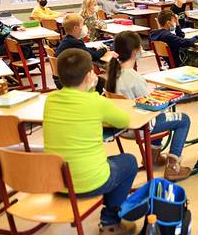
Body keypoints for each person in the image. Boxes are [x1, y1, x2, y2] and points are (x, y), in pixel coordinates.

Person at [43, 48, 137, 235]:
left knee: (105, 163)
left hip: (58, 182)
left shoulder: (50, 100)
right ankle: (110, 221)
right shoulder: (95, 101)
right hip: (90, 183)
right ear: (89, 75)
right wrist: (93, 90)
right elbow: (124, 121)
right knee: (129, 161)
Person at [105, 31, 193, 181]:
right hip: (138, 126)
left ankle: (152, 157)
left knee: (160, 116)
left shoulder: (114, 72)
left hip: (121, 126)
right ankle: (173, 165)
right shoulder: (133, 77)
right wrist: (170, 99)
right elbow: (152, 105)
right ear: (134, 52)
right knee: (183, 119)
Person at [56, 14, 116, 93]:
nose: (84, 27)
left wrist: (95, 49)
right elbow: (95, 56)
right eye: (82, 24)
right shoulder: (75, 42)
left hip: (63, 76)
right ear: (76, 28)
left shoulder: (68, 40)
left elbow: (85, 50)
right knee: (101, 82)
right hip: (71, 78)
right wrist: (104, 49)